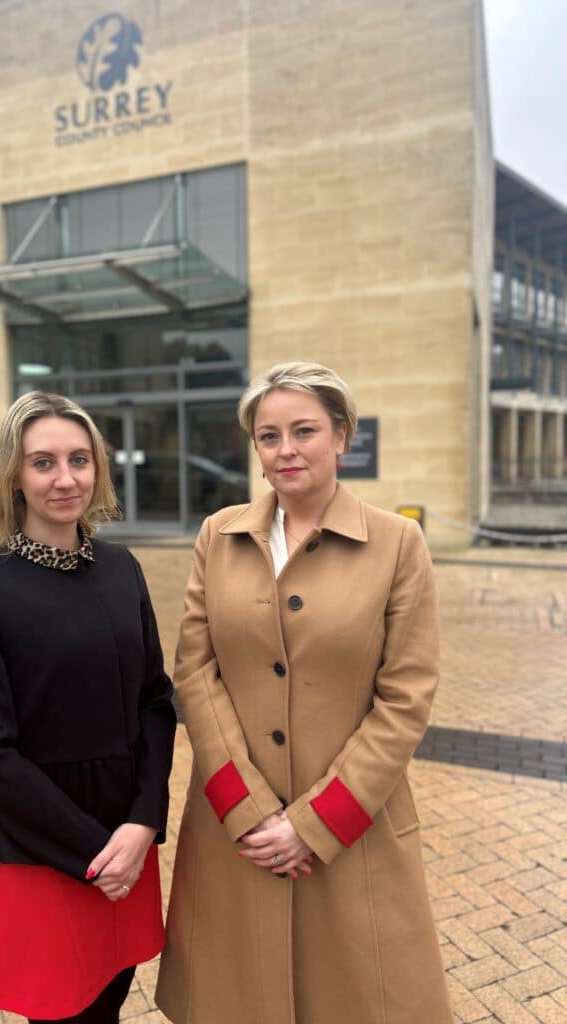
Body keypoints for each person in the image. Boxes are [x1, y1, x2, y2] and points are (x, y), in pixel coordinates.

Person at [156, 363, 453, 1023]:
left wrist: (313, 825)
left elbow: (406, 697)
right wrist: (252, 811)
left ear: (341, 436)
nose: (285, 449)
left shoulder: (398, 544)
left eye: (304, 431)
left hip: (354, 835)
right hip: (238, 833)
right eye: (268, 436)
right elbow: (195, 672)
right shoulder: (218, 535)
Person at [0, 391, 176, 1024]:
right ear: (14, 475)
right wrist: (92, 853)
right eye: (42, 462)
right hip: (42, 842)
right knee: (61, 1012)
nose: (65, 478)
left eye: (79, 459)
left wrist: (145, 819)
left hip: (127, 831)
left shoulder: (121, 569)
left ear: (98, 466)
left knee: (114, 994)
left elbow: (155, 699)